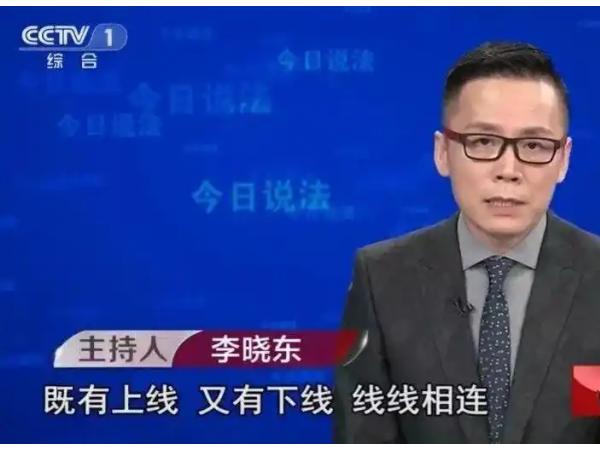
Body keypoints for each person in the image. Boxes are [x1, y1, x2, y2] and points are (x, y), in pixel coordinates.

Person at [332, 41, 600, 444]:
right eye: (483, 142)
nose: (508, 170)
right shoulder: (381, 278)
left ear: (563, 159)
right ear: (443, 152)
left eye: (534, 146)